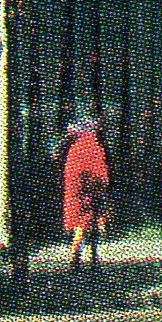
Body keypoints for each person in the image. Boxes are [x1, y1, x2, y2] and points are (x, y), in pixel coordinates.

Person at [61, 110, 113, 278]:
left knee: (82, 225)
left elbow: (71, 172)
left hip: (76, 191)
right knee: (87, 225)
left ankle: (82, 259)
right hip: (90, 191)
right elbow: (99, 171)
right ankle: (80, 260)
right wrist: (102, 188)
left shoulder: (75, 148)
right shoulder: (94, 146)